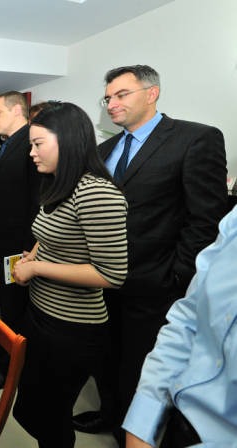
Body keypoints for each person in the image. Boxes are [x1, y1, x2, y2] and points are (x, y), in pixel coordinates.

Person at [72, 65, 228, 444]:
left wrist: (176, 278)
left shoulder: (195, 139)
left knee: (142, 369)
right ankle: (110, 415)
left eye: (121, 94)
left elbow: (206, 220)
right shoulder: (104, 150)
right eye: (107, 98)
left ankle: (136, 432)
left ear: (152, 93)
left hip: (155, 285)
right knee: (105, 358)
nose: (111, 103)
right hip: (102, 282)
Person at [11, 101, 128, 448]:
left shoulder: (96, 192)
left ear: (68, 141)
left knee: (50, 417)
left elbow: (111, 274)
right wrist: (33, 255)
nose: (31, 153)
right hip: (42, 314)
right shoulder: (60, 185)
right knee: (31, 408)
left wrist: (37, 267)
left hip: (72, 328)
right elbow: (51, 235)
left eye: (38, 144)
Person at [123, 204, 237, 448]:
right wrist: (141, 426)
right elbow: (189, 318)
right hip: (177, 417)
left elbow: (201, 218)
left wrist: (174, 276)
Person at [0, 90, 40, 390]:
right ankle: (7, 350)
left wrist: (29, 251)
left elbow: (36, 202)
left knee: (15, 308)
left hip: (18, 247)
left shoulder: (31, 144)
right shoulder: (8, 143)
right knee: (7, 305)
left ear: (17, 110)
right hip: (1, 241)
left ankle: (10, 368)